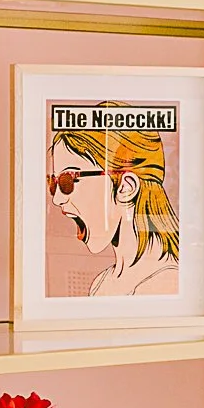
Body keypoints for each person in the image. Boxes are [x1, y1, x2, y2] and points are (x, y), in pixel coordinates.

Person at [47, 114, 180, 297]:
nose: (57, 199)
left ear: (126, 187)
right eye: (53, 184)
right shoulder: (102, 283)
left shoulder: (164, 284)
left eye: (67, 181)